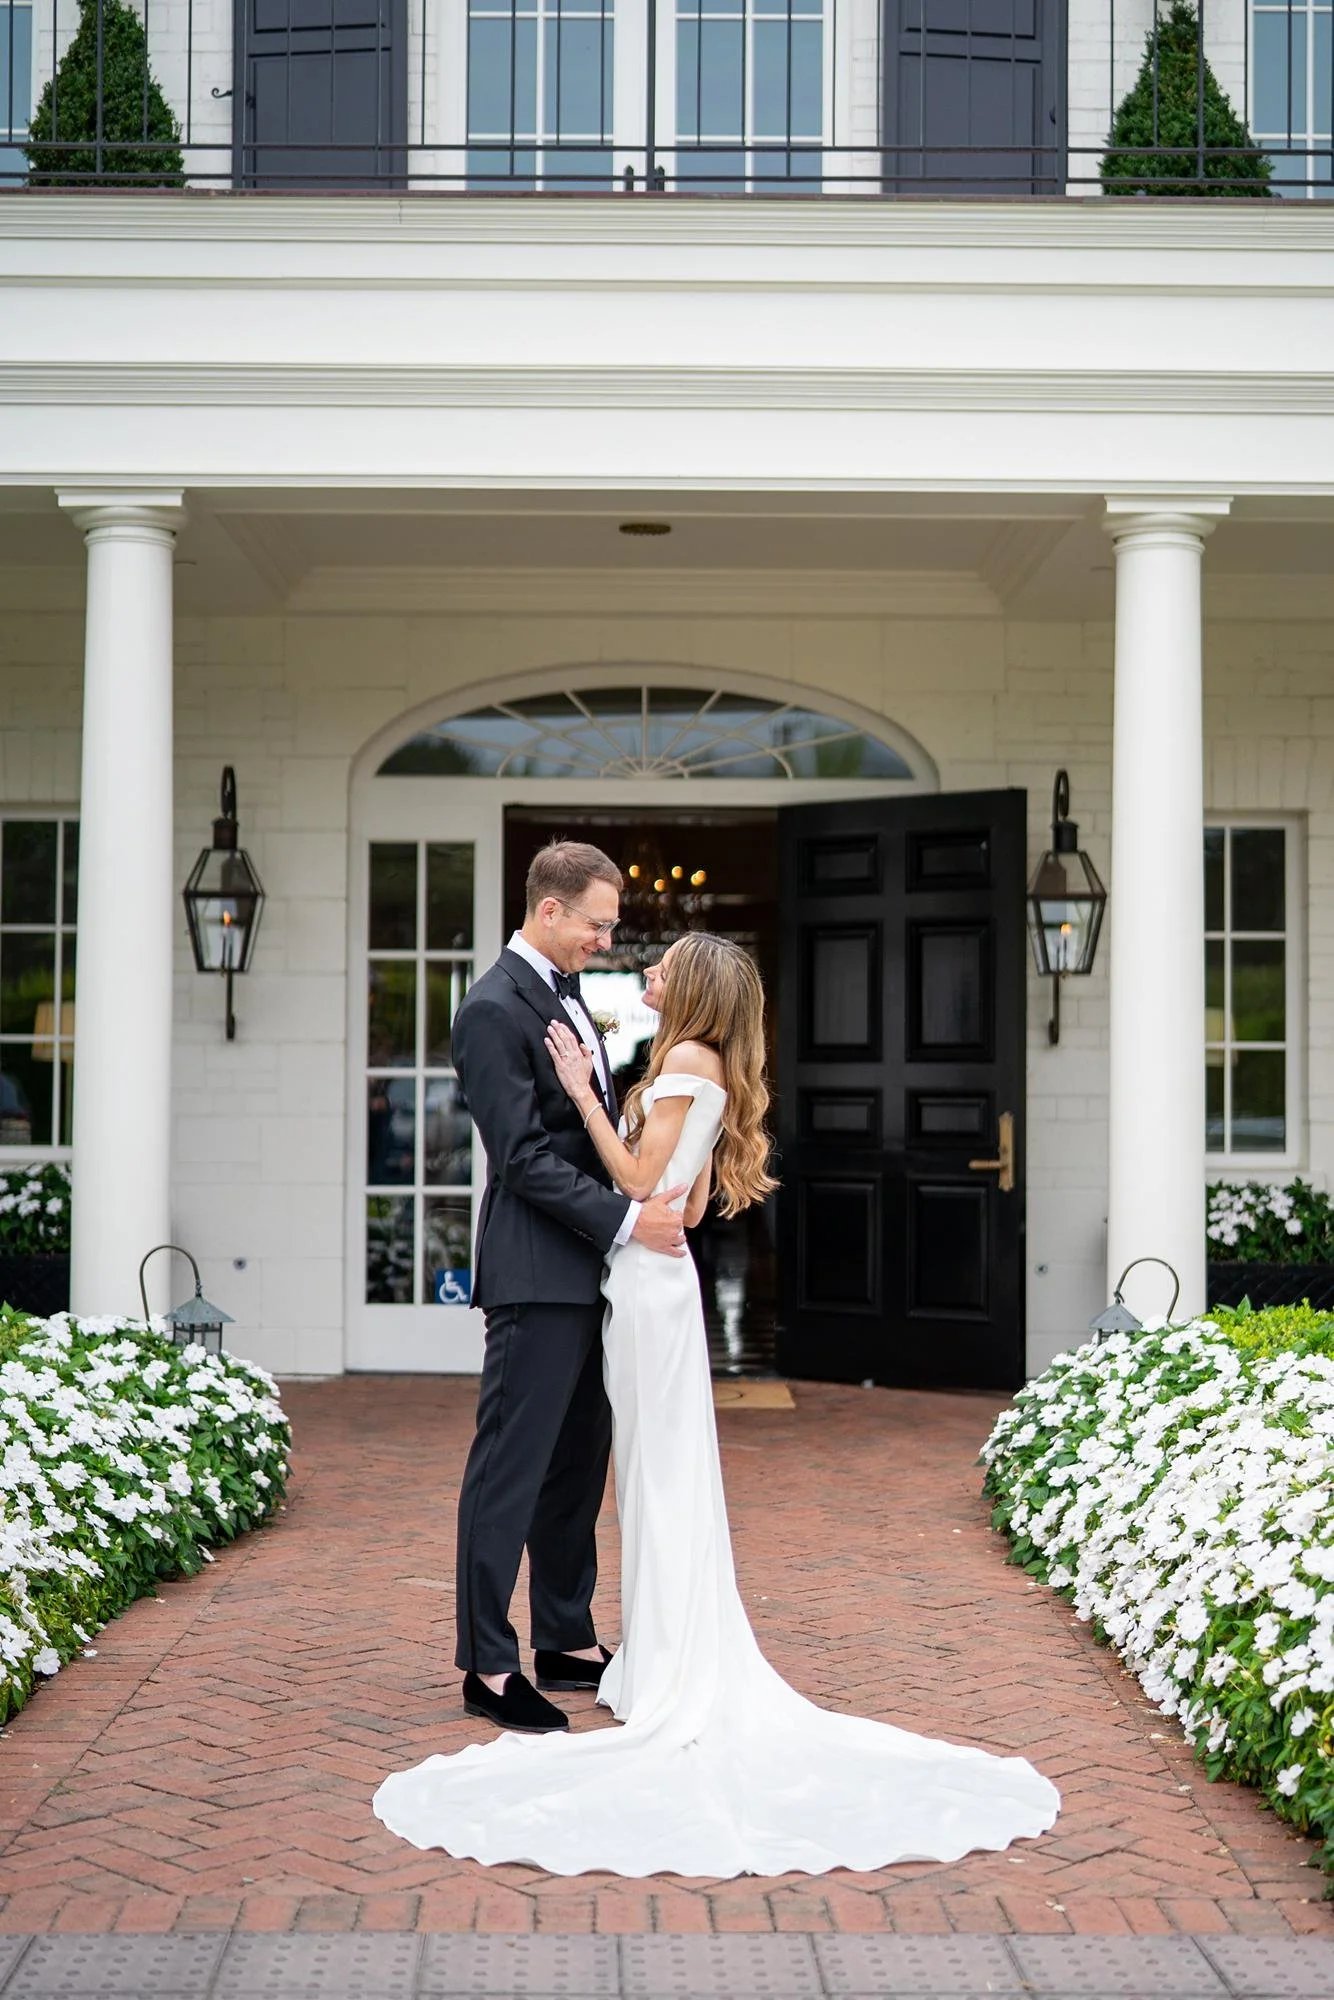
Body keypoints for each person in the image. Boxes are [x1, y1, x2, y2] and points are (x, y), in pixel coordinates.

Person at [374, 932, 1060, 1876]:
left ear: (691, 988)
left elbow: (629, 1180)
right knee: (651, 1471)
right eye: (623, 944)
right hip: (657, 1277)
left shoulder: (683, 1063)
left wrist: (583, 1091)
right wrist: (634, 1160)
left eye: (658, 966)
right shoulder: (692, 1063)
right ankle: (621, 1646)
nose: (638, 968)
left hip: (639, 1285)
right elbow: (686, 1208)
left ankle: (641, 1655)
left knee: (645, 1474)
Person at [445, 839, 690, 1736]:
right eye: (597, 922)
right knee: (509, 1470)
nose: (606, 938)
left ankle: (564, 1636)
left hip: (594, 1275)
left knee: (576, 1469)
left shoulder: (566, 996)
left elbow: (583, 1129)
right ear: (548, 911)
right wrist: (628, 1221)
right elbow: (521, 1159)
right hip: (537, 1274)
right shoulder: (490, 1009)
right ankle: (486, 1661)